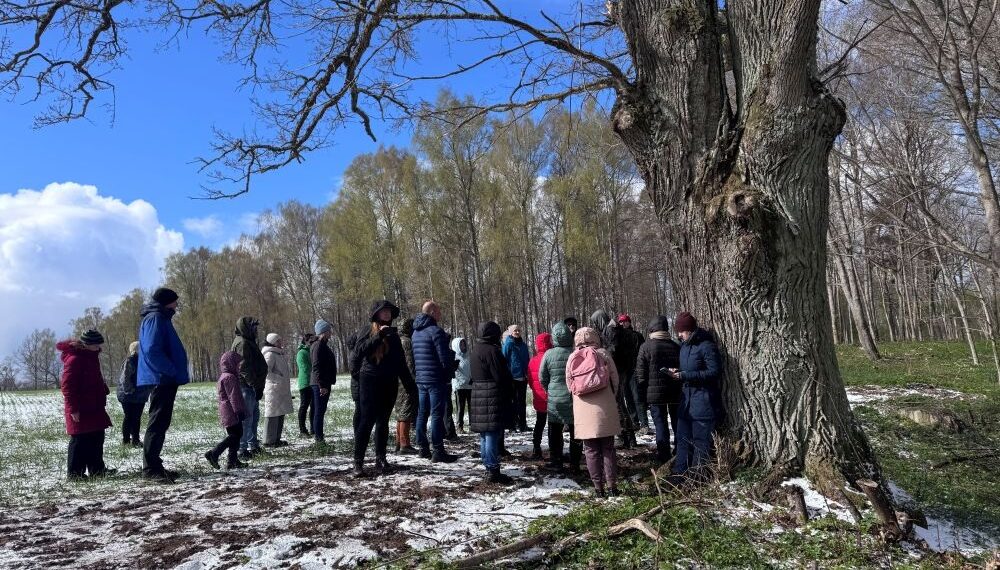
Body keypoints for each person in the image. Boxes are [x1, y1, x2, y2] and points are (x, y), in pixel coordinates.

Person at [351, 300, 416, 477]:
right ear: (376, 314)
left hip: (389, 382)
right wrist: (378, 336)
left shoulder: (394, 335)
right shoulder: (367, 330)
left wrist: (410, 386)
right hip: (370, 382)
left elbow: (401, 363)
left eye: (389, 311)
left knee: (383, 422)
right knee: (366, 422)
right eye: (383, 311)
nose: (387, 314)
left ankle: (381, 459)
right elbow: (358, 352)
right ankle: (358, 463)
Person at [138, 287, 189, 483]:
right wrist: (171, 370)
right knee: (157, 423)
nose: (177, 305)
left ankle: (155, 465)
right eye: (175, 301)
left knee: (161, 423)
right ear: (166, 301)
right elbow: (152, 350)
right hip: (161, 378)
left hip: (164, 377)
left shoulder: (160, 317)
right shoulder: (156, 318)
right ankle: (150, 469)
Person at [668, 312, 722, 476]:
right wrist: (679, 372)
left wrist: (686, 375)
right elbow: (690, 369)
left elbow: (714, 372)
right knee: (682, 440)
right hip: (686, 403)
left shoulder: (707, 346)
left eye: (681, 331)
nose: (679, 335)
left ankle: (698, 477)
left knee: (701, 443)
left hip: (703, 402)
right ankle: (679, 474)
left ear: (690, 330)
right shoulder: (684, 347)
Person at [569, 327, 622, 498]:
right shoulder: (603, 354)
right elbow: (615, 379)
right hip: (605, 407)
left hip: (583, 409)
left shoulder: (572, 358)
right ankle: (612, 486)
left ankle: (598, 488)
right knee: (608, 448)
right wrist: (609, 396)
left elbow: (570, 386)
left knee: (591, 450)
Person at [59, 330, 114, 480]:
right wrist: (73, 409)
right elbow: (67, 387)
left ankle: (97, 470)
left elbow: (92, 377)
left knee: (97, 438)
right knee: (80, 441)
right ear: (86, 344)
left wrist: (102, 388)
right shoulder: (75, 359)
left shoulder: (92, 356)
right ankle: (75, 474)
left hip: (94, 406)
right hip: (81, 408)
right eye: (95, 344)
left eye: (99, 344)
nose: (98, 347)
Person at [411, 301, 459, 463]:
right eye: (438, 311)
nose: (440, 314)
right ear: (431, 312)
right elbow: (444, 359)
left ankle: (423, 448)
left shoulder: (415, 333)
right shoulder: (436, 331)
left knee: (422, 413)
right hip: (435, 379)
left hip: (421, 379)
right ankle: (438, 449)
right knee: (437, 414)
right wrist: (450, 372)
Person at [469, 321, 515, 485]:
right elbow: (500, 375)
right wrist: (509, 389)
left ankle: (489, 466)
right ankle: (493, 469)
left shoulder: (475, 350)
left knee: (484, 434)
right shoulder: (492, 351)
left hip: (478, 393)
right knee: (491, 434)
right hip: (491, 394)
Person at [635, 316, 681, 465]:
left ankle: (663, 455)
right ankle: (679, 450)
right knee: (677, 422)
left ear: (652, 329)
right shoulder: (676, 346)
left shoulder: (646, 347)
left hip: (654, 394)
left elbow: (640, 375)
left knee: (660, 424)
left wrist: (642, 397)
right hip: (675, 391)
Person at [590, 309, 636, 449]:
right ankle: (630, 437)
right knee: (620, 402)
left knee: (617, 403)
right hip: (621, 369)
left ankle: (623, 435)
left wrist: (603, 358)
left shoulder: (610, 330)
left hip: (617, 370)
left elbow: (613, 350)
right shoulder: (615, 328)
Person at [540, 322, 581, 473]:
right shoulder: (575, 353)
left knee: (554, 431)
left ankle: (556, 461)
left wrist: (549, 390)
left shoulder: (549, 354)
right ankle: (575, 463)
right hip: (573, 398)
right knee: (575, 432)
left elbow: (542, 377)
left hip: (555, 400)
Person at [205, 351, 248, 470]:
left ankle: (232, 461)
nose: (239, 366)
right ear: (231, 363)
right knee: (236, 434)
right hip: (232, 411)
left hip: (227, 411)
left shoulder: (224, 376)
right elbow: (234, 396)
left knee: (235, 434)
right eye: (237, 364)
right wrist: (239, 411)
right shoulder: (230, 377)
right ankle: (214, 453)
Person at [232, 317, 267, 461]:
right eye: (253, 327)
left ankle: (253, 445)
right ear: (246, 328)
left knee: (254, 417)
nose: (256, 330)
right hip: (245, 386)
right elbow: (243, 367)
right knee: (246, 419)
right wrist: (254, 384)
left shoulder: (248, 341)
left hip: (252, 386)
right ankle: (241, 448)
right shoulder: (243, 343)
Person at [116, 341, 150, 447]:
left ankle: (135, 440)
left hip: (140, 395)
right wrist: (130, 391)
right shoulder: (130, 361)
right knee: (129, 417)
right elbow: (125, 378)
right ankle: (126, 441)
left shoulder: (145, 361)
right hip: (127, 395)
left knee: (137, 417)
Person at [616, 314, 647, 433]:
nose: (622, 324)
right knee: (627, 398)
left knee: (637, 397)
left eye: (624, 321)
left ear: (629, 322)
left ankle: (644, 423)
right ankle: (634, 422)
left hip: (634, 370)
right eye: (620, 322)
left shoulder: (637, 336)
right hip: (623, 371)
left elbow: (642, 353)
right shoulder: (618, 336)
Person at [261, 333, 293, 447]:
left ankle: (276, 439)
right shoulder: (269, 354)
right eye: (278, 341)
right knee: (272, 415)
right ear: (273, 342)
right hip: (273, 389)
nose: (281, 343)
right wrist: (278, 378)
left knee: (280, 413)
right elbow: (265, 372)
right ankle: (268, 441)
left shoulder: (278, 354)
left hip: (280, 390)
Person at [310, 319, 338, 444]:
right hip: (320, 383)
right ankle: (319, 438)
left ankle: (319, 435)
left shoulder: (322, 344)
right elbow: (316, 366)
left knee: (320, 410)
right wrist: (321, 385)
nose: (330, 333)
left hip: (323, 382)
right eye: (328, 331)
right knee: (319, 411)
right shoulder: (318, 345)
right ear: (323, 332)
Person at [526, 331, 552, 460]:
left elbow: (530, 380)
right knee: (554, 425)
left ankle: (536, 448)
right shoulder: (552, 357)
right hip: (553, 397)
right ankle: (554, 450)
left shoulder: (532, 360)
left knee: (539, 423)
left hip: (539, 397)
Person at [394, 318, 418, 454]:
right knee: (405, 413)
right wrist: (413, 381)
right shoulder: (407, 342)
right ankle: (404, 443)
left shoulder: (398, 340)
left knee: (400, 413)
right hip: (406, 383)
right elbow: (409, 365)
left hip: (399, 382)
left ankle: (398, 442)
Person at [501, 324, 531, 432]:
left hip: (523, 377)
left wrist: (527, 373)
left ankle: (523, 424)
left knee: (522, 402)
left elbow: (527, 359)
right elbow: (503, 360)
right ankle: (512, 425)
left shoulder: (523, 345)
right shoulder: (508, 344)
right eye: (515, 331)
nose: (517, 332)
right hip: (512, 378)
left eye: (518, 330)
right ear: (511, 333)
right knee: (513, 402)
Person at [296, 334, 316, 437]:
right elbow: (304, 368)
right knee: (304, 406)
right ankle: (302, 430)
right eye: (311, 341)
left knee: (314, 406)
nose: (312, 343)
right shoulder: (301, 353)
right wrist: (314, 371)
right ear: (306, 341)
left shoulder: (311, 351)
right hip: (305, 383)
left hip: (313, 382)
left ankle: (314, 428)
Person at [451, 337, 472, 432]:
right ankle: (460, 426)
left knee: (472, 406)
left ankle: (473, 425)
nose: (463, 346)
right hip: (459, 386)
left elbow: (471, 369)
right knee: (461, 406)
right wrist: (462, 381)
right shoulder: (454, 357)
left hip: (470, 385)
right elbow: (455, 372)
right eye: (461, 344)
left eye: (464, 344)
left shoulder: (469, 356)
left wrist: (472, 378)